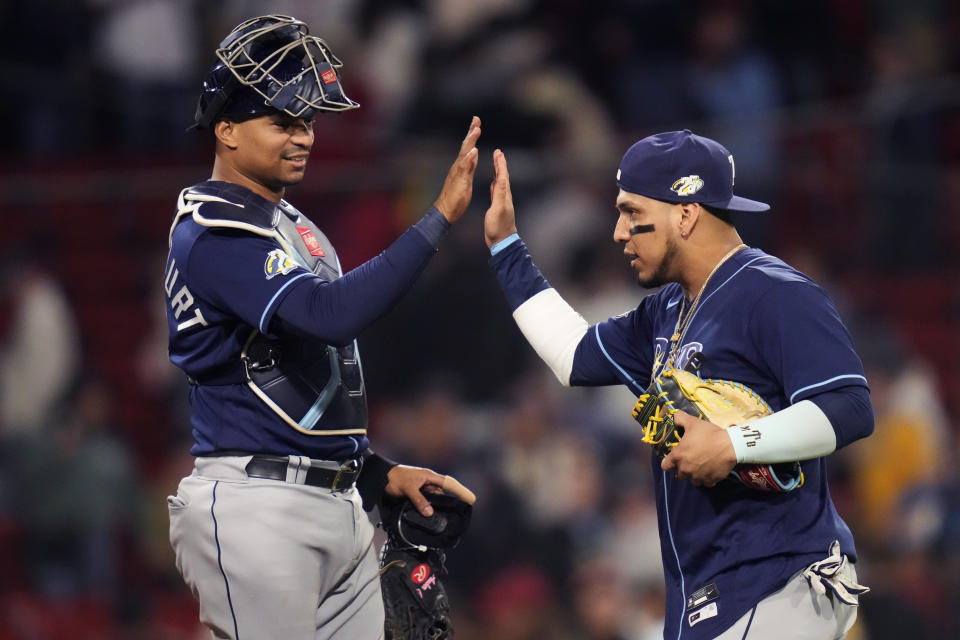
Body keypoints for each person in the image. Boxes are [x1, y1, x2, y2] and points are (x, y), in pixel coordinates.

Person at [482, 130, 875, 639]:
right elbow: (572, 355)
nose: (619, 232)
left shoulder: (774, 292)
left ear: (685, 213)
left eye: (630, 211)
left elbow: (848, 405)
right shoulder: (665, 312)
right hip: (709, 591)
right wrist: (506, 248)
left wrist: (735, 443)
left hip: (775, 574)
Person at [164, 15, 477, 640]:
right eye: (282, 121)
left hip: (337, 501)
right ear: (225, 129)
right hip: (257, 508)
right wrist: (437, 219)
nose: (302, 136)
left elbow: (312, 380)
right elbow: (328, 315)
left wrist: (374, 470)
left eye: (307, 122)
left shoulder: (296, 228)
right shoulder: (213, 229)